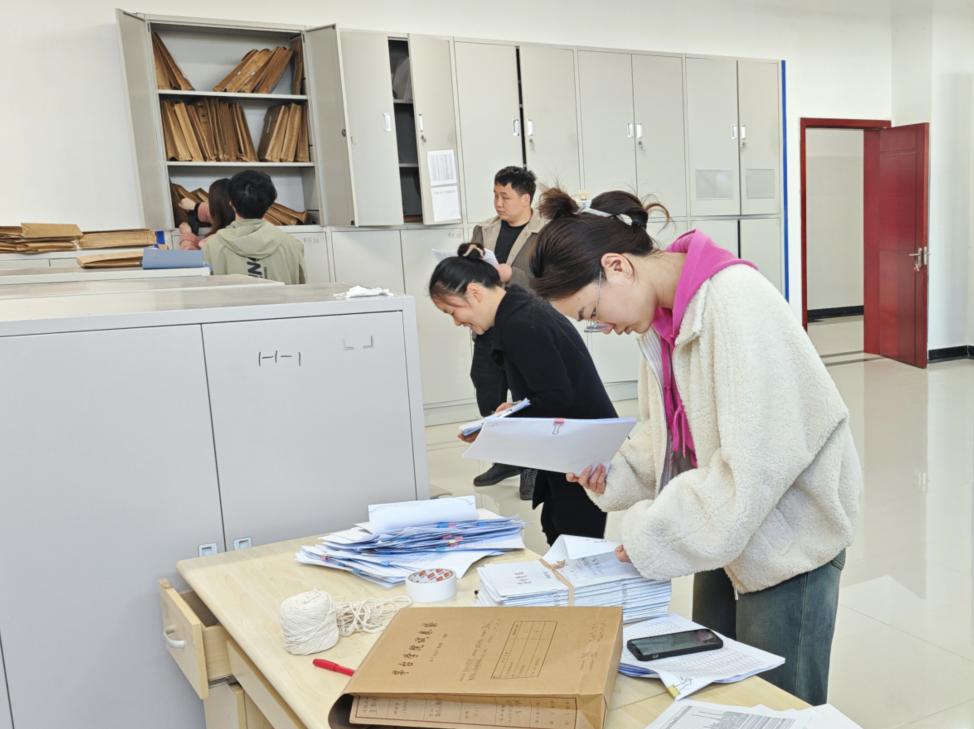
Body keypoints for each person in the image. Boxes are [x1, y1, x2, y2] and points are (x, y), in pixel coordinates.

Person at [528, 188, 861, 705]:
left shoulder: (736, 302)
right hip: (726, 532)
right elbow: (666, 432)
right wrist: (614, 468)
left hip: (787, 540)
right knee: (720, 690)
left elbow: (758, 464)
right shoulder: (661, 321)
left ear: (617, 266)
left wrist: (647, 535)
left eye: (594, 311)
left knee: (777, 706)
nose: (603, 328)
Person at [430, 242, 613, 544]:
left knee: (574, 535)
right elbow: (547, 388)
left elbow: (556, 398)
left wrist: (499, 427)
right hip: (572, 445)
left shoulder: (520, 323)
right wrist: (513, 408)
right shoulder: (517, 311)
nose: (457, 321)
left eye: (453, 311)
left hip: (581, 448)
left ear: (474, 292)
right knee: (557, 524)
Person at [468, 166, 545, 494]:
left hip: (526, 327)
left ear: (526, 199)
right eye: (495, 195)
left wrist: (511, 274)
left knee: (526, 399)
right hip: (488, 327)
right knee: (487, 389)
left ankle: (532, 468)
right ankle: (504, 459)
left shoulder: (545, 234)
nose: (498, 203)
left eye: (506, 197)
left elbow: (549, 280)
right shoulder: (484, 230)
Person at [203, 170, 306, 284]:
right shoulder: (292, 245)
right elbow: (302, 289)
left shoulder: (211, 246)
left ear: (231, 204)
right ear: (270, 204)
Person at [177, 178, 233, 250]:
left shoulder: (213, 243)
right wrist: (196, 207)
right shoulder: (242, 229)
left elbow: (190, 256)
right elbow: (223, 210)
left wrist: (187, 235)